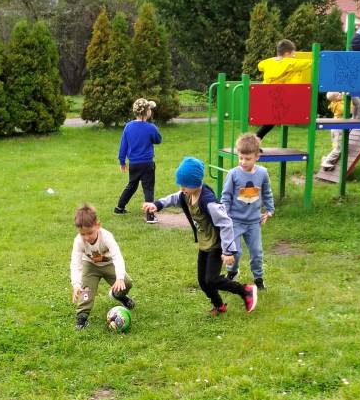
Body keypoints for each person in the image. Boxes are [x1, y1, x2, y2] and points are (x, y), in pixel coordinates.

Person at [142, 157, 258, 316]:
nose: (182, 188)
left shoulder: (208, 201)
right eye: (181, 184)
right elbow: (174, 198)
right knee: (203, 281)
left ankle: (245, 290)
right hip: (205, 244)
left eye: (185, 185)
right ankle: (219, 305)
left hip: (217, 244)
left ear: (196, 183)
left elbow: (225, 223)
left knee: (212, 279)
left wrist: (228, 251)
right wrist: (157, 204)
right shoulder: (186, 194)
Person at [221, 133, 274, 289]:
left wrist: (269, 210)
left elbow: (267, 192)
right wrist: (225, 216)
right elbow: (226, 196)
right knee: (235, 253)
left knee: (257, 253)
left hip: (253, 222)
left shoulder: (262, 173)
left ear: (257, 156)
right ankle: (232, 272)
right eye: (241, 158)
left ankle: (258, 279)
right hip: (235, 221)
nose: (243, 162)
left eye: (248, 159)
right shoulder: (233, 174)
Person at [70, 204, 134, 330]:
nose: (87, 237)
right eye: (83, 234)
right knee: (86, 292)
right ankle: (82, 318)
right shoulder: (78, 241)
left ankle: (118, 296)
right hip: (90, 266)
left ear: (98, 225)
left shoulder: (106, 237)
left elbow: (117, 256)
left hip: (108, 264)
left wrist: (120, 278)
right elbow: (75, 263)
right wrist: (76, 284)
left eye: (90, 233)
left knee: (126, 283)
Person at [255, 39, 313, 141]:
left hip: (267, 97)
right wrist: (318, 58)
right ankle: (255, 140)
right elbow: (309, 63)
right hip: (282, 99)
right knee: (272, 121)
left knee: (270, 122)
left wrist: (274, 59)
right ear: (287, 54)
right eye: (293, 54)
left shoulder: (268, 62)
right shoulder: (290, 63)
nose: (294, 56)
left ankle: (256, 139)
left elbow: (260, 66)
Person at [115, 98, 162, 223]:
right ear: (147, 112)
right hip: (147, 164)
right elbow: (158, 140)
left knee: (132, 185)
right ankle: (150, 216)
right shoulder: (151, 127)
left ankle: (119, 208)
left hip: (134, 164)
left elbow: (123, 145)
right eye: (150, 109)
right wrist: (152, 130)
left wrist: (122, 161)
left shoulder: (128, 127)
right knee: (148, 188)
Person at [320, 92, 346, 171]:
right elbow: (348, 110)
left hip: (335, 128)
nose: (340, 94)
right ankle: (327, 161)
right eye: (338, 95)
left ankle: (326, 158)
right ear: (335, 99)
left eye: (339, 93)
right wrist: (350, 100)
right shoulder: (338, 105)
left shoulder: (336, 103)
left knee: (336, 146)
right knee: (338, 148)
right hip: (338, 128)